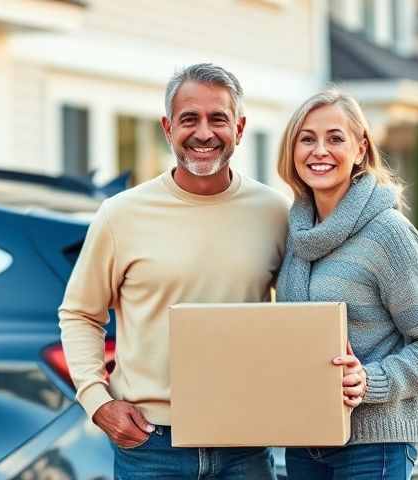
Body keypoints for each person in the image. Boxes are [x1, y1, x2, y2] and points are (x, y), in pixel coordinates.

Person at [58, 63, 290, 479]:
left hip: (247, 446)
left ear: (239, 128)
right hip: (151, 447)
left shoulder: (274, 213)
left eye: (218, 118)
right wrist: (97, 401)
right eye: (189, 119)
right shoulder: (120, 215)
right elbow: (80, 313)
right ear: (168, 128)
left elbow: (297, 316)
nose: (204, 133)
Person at [275, 89, 418, 480]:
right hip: (303, 442)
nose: (319, 150)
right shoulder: (295, 237)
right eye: (307, 139)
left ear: (361, 149)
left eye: (335, 138)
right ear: (292, 151)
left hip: (373, 448)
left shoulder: (389, 235)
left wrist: (371, 381)